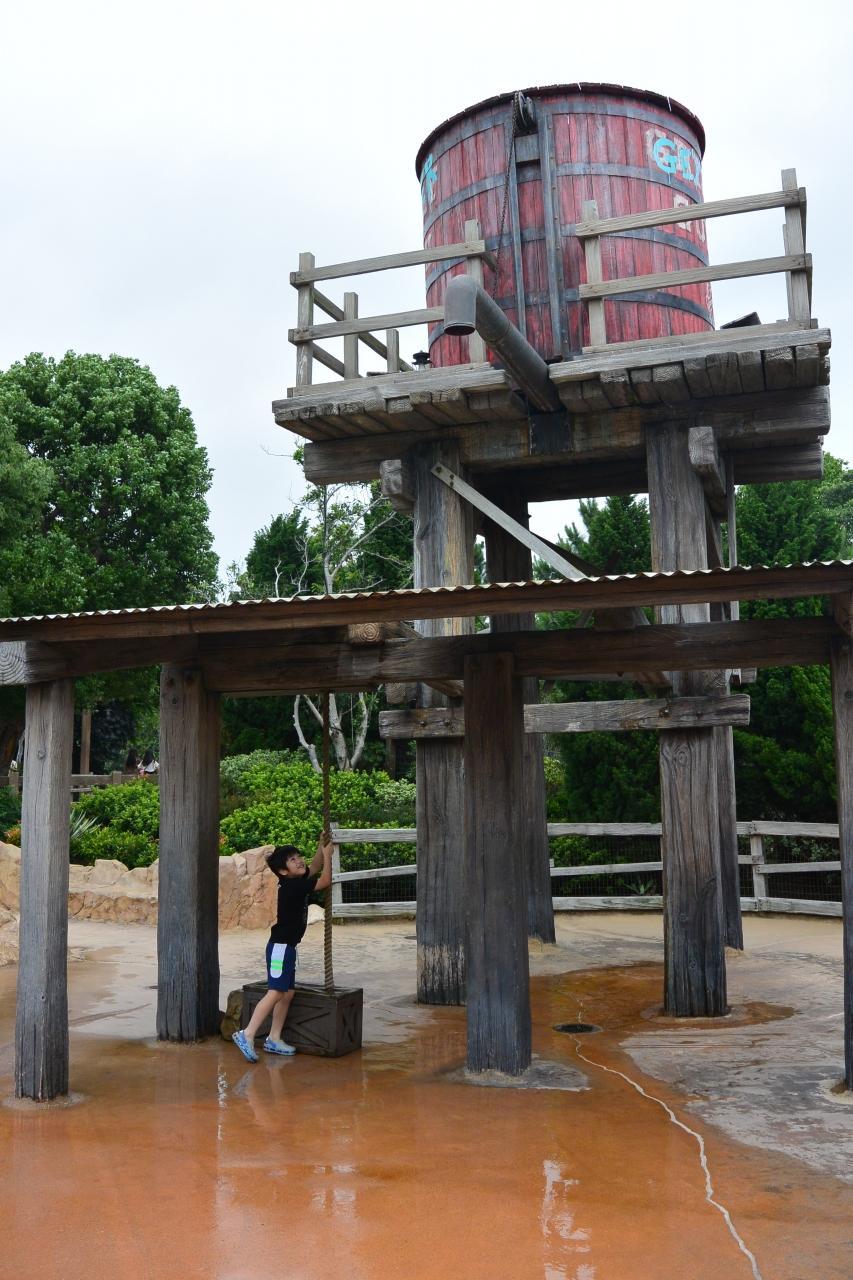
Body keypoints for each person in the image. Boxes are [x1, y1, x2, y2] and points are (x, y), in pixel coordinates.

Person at [232, 835, 333, 1062]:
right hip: (280, 948)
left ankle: (274, 1038)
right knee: (276, 991)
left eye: (298, 856)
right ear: (283, 871)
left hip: (287, 948)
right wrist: (328, 856)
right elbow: (325, 879)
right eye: (292, 860)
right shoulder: (292, 886)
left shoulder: (295, 880)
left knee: (287, 992)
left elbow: (314, 867)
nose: (299, 861)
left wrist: (321, 846)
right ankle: (247, 1033)